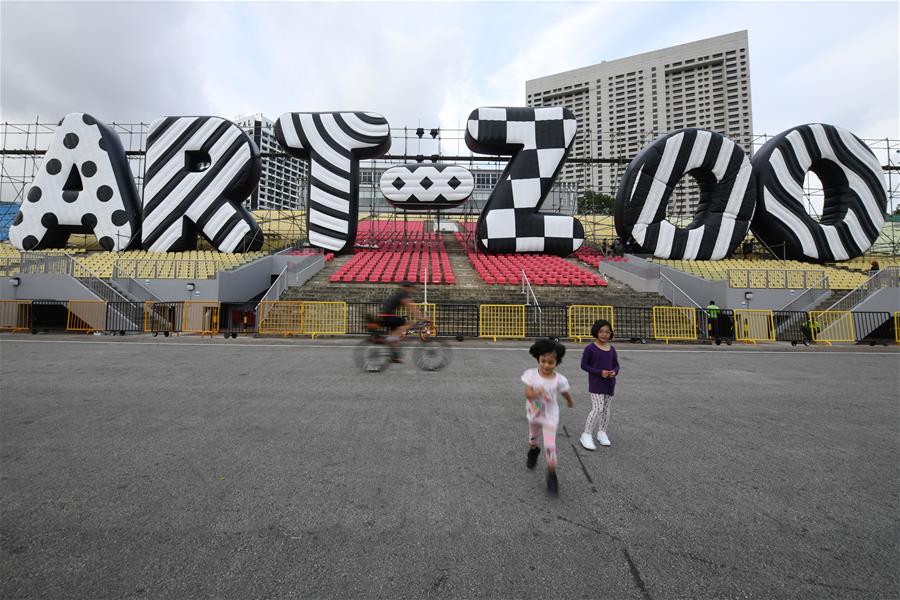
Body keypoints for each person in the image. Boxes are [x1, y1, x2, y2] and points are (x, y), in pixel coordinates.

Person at [522, 338, 573, 495]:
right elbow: (528, 394)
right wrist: (536, 392)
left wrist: (569, 401)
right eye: (543, 361)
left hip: (551, 415)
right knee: (533, 438)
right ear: (538, 358)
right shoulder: (531, 375)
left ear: (557, 362)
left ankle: (552, 474)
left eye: (550, 362)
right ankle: (533, 450)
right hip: (534, 413)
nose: (546, 365)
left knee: (550, 446)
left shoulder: (560, 379)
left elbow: (564, 392)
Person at [579, 320, 620, 450]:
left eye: (607, 332)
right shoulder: (590, 348)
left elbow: (616, 365)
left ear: (611, 334)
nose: (604, 334)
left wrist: (615, 372)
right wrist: (599, 372)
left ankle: (602, 432)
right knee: (597, 408)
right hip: (596, 383)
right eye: (601, 331)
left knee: (606, 409)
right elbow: (584, 365)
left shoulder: (612, 349)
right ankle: (586, 434)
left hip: (609, 383)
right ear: (596, 332)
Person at [378, 280, 423, 363]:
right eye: (411, 288)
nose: (412, 289)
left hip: (384, 316)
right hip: (387, 316)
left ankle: (395, 356)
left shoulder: (399, 294)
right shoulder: (402, 295)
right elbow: (412, 308)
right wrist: (422, 318)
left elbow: (411, 307)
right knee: (410, 323)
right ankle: (387, 340)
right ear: (406, 288)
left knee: (395, 336)